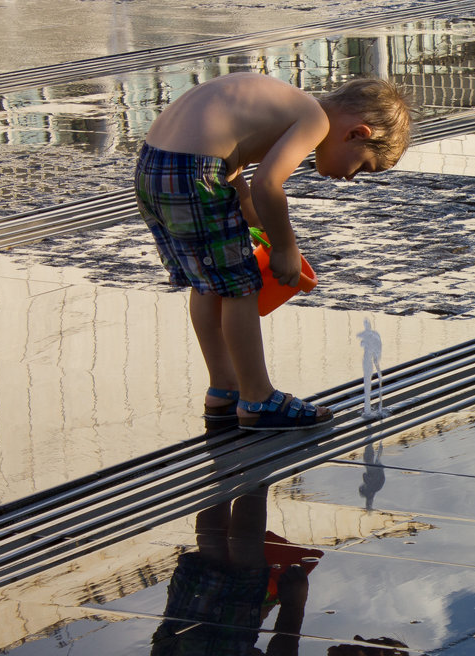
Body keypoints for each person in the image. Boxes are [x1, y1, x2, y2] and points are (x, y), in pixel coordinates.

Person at [134, 73, 413, 430]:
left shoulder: (282, 103)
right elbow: (267, 184)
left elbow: (231, 161)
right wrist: (285, 248)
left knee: (207, 283)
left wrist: (247, 209)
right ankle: (257, 398)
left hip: (154, 166)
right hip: (194, 171)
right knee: (241, 287)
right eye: (362, 167)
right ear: (357, 133)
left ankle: (224, 389)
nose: (350, 178)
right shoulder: (313, 120)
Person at [150, 487, 412, 656]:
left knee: (246, 568)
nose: (358, 637)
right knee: (212, 558)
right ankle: (221, 478)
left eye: (369, 652)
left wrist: (293, 604)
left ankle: (254, 480)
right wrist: (255, 616)